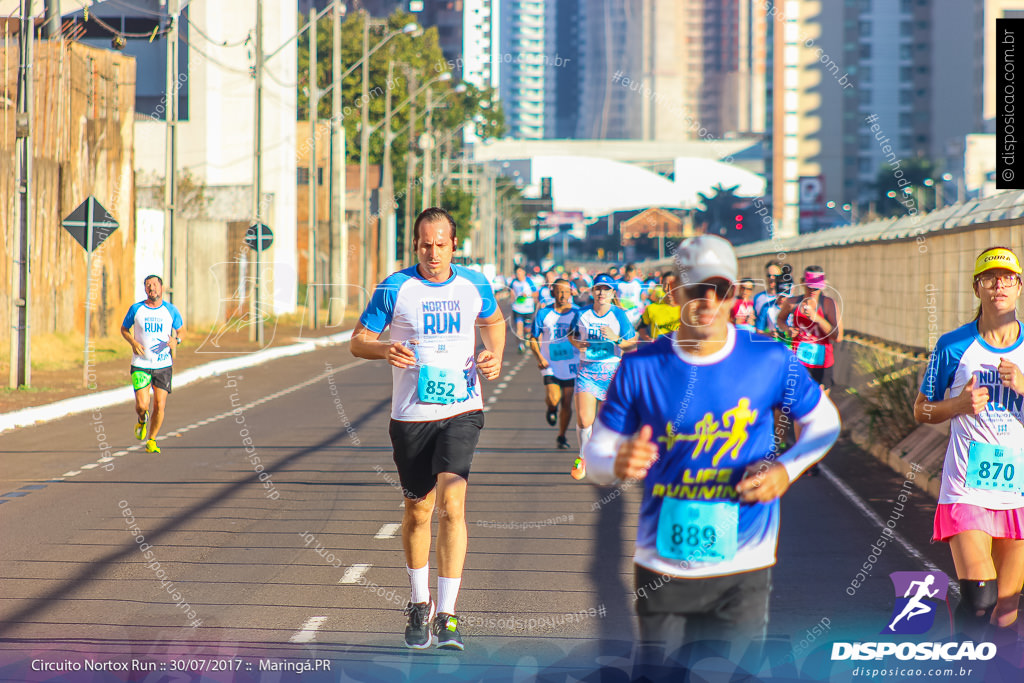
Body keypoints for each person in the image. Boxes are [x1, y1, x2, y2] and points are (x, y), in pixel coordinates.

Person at [583, 235, 840, 665]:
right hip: (662, 566)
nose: (706, 300)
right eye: (695, 288)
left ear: (734, 293)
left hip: (744, 564)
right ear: (674, 291)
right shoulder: (642, 365)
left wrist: (785, 470)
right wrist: (617, 461)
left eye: (718, 289)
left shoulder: (768, 357)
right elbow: (595, 459)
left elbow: (824, 422)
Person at [350, 207, 505, 651]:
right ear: (415, 244)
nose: (432, 253)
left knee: (452, 505)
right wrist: (384, 350)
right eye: (424, 245)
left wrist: (494, 354)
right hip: (411, 416)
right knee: (419, 510)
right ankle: (420, 603)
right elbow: (357, 341)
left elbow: (494, 323)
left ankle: (449, 615)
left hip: (462, 410)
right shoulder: (395, 288)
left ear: (454, 245)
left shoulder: (473, 284)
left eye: (440, 244)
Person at [914, 246, 1024, 641]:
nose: (999, 285)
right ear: (976, 288)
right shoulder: (952, 346)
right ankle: (961, 666)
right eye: (989, 278)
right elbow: (921, 411)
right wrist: (958, 405)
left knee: (1006, 612)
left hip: (1018, 493)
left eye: (1007, 277)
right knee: (980, 600)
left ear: (1019, 287)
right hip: (967, 487)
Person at [568, 274, 637, 480]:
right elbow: (571, 335)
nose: (601, 293)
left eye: (606, 289)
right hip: (587, 371)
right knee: (584, 418)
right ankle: (582, 457)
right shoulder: (581, 314)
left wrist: (616, 339)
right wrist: (577, 344)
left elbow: (632, 343)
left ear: (612, 293)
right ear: (592, 291)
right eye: (598, 289)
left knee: (610, 422)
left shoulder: (619, 315)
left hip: (612, 373)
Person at [121, 275, 183, 454]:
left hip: (163, 365)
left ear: (161, 288)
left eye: (155, 285)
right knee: (142, 405)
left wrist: (176, 340)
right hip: (140, 363)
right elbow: (124, 329)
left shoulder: (170, 310)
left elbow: (181, 331)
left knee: (159, 405)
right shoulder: (137, 309)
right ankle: (141, 420)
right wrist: (133, 342)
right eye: (148, 285)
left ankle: (152, 439)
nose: (152, 288)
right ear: (145, 289)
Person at [528, 278, 580, 449]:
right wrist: (539, 358)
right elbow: (533, 339)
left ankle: (562, 436)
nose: (563, 295)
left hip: (572, 363)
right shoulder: (543, 313)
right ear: (552, 293)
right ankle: (551, 408)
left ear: (571, 293)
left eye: (566, 291)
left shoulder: (578, 313)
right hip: (549, 362)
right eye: (559, 291)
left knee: (567, 401)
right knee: (553, 397)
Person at [776, 266, 841, 394]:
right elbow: (780, 320)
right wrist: (787, 330)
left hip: (822, 362)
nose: (813, 290)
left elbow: (838, 337)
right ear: (802, 282)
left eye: (816, 287)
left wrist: (818, 319)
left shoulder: (828, 304)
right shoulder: (792, 302)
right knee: (792, 400)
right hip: (798, 360)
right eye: (809, 286)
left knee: (821, 404)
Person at [638, 273, 681, 342]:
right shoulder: (651, 308)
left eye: (673, 284)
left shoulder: (688, 308)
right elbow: (641, 328)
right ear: (662, 286)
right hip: (660, 349)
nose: (669, 288)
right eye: (666, 285)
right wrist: (649, 340)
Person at [509, 266, 539, 354]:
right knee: (519, 328)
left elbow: (536, 293)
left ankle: (526, 338)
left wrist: (527, 295)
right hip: (517, 308)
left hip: (528, 309)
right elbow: (511, 292)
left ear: (524, 273)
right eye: (517, 273)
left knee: (528, 329)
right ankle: (520, 345)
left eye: (520, 273)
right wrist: (512, 299)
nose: (519, 275)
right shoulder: (514, 282)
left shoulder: (529, 281)